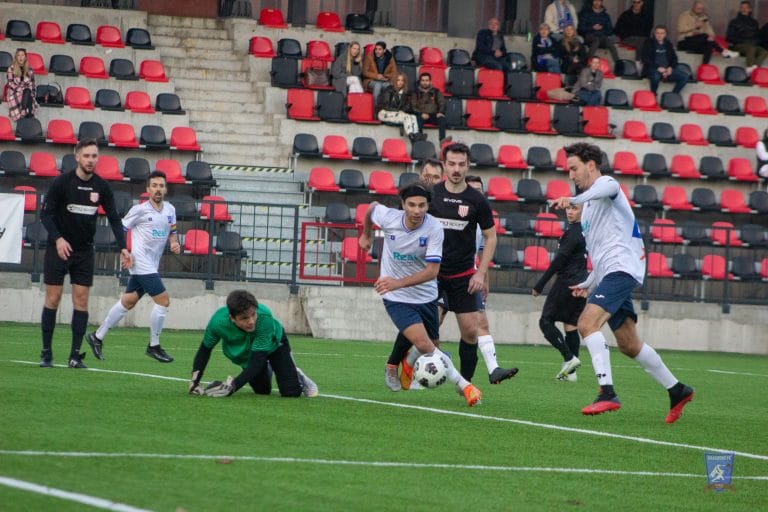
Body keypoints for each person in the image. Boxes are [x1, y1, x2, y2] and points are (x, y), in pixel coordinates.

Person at [549, 142, 694, 423]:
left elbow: (607, 188)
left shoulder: (606, 183)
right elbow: (601, 250)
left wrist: (573, 199)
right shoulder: (589, 207)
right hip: (611, 273)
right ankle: (678, 390)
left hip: (622, 270)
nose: (571, 175)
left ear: (591, 165)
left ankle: (607, 393)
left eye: (574, 168)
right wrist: (590, 281)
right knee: (629, 344)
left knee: (587, 324)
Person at [359, 184, 483, 406]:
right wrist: (366, 235)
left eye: (422, 205)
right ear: (403, 204)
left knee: (432, 345)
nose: (417, 211)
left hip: (425, 295)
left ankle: (398, 364)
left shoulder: (434, 228)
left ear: (428, 206)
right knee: (426, 344)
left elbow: (432, 272)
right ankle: (466, 387)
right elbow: (371, 208)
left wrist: (397, 282)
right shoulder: (389, 218)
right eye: (411, 205)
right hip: (396, 298)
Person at [428, 143, 517, 386]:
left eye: (461, 164)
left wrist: (480, 273)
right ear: (444, 164)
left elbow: (491, 237)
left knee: (470, 332)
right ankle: (409, 371)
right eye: (451, 164)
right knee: (428, 330)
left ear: (468, 165)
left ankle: (465, 384)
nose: (456, 169)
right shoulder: (431, 194)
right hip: (433, 274)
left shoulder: (477, 200)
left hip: (463, 276)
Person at [39, 139, 131, 369]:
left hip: (84, 251)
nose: (91, 160)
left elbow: (114, 218)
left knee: (81, 300)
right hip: (58, 250)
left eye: (94, 156)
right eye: (87, 156)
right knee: (53, 298)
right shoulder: (62, 183)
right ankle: (46, 352)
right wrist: (58, 239)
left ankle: (74, 355)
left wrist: (123, 246)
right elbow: (46, 215)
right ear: (77, 157)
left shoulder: (101, 186)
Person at [86, 171, 180, 363]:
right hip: (140, 261)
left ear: (165, 189)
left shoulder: (170, 209)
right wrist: (124, 250)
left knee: (128, 301)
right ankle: (154, 346)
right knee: (163, 301)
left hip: (152, 263)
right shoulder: (140, 210)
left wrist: (174, 242)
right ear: (148, 190)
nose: (158, 189)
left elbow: (172, 230)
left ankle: (97, 336)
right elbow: (121, 228)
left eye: (161, 186)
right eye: (154, 185)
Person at [188, 289, 318, 398]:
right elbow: (205, 350)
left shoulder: (264, 317)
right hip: (249, 352)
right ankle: (271, 367)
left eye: (253, 315)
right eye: (244, 318)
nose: (251, 321)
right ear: (232, 318)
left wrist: (232, 386)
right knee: (262, 391)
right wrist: (194, 382)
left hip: (275, 344)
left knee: (291, 393)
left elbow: (257, 360)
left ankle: (295, 372)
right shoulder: (217, 323)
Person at [532, 203, 587, 382]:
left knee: (545, 322)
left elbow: (558, 261)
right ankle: (571, 373)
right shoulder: (585, 230)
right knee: (570, 324)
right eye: (569, 208)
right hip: (581, 283)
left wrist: (540, 284)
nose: (570, 212)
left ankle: (569, 358)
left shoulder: (572, 233)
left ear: (583, 210)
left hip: (566, 283)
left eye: (575, 208)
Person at [641, 25, 690, 95]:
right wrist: (658, 68)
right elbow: (645, 58)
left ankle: (673, 95)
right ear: (654, 34)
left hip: (667, 69)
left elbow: (674, 58)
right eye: (657, 33)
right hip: (653, 69)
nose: (659, 35)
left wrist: (670, 67)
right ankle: (653, 95)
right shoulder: (648, 42)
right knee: (656, 76)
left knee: (685, 76)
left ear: (665, 34)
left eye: (662, 33)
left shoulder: (668, 44)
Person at [377, 72, 420, 141]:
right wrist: (398, 111)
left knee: (413, 117)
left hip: (397, 114)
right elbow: (385, 105)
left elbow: (405, 106)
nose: (400, 82)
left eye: (402, 80)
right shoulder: (389, 90)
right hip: (384, 113)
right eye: (398, 80)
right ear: (394, 81)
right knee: (406, 116)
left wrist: (402, 110)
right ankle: (410, 134)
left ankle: (416, 134)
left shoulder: (404, 93)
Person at [726, 1, 768, 73]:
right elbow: (729, 37)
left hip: (752, 45)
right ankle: (749, 67)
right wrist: (744, 42)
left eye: (746, 8)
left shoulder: (754, 22)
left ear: (750, 9)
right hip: (739, 46)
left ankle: (754, 67)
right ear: (740, 9)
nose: (744, 9)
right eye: (742, 7)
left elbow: (757, 36)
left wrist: (755, 42)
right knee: (751, 48)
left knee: (764, 51)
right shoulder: (734, 22)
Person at [410, 72, 447, 143]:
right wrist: (421, 113)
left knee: (442, 119)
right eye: (423, 80)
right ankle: (419, 140)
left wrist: (440, 112)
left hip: (433, 115)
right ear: (420, 82)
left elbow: (442, 103)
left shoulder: (436, 91)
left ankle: (442, 140)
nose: (425, 82)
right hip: (421, 115)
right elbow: (413, 106)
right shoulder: (415, 93)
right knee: (417, 119)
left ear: (430, 81)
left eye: (427, 80)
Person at [5, 48, 38, 122]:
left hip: (26, 91)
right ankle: (28, 115)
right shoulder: (11, 68)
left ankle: (23, 111)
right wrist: (20, 89)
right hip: (14, 91)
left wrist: (32, 93)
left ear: (25, 57)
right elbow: (10, 83)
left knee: (29, 92)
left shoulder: (30, 69)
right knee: (28, 94)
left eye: (22, 55)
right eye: (18, 55)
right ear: (16, 57)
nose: (20, 57)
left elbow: (32, 83)